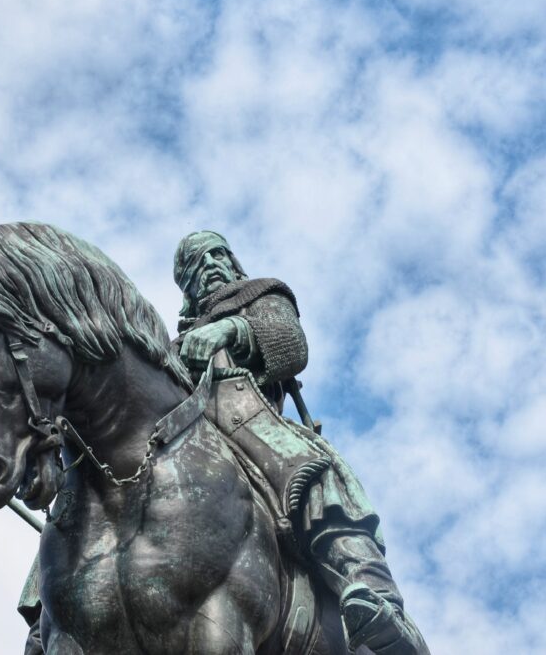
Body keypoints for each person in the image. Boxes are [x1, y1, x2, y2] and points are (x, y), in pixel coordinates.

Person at [173, 231, 429, 655]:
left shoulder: (259, 295)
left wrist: (231, 330)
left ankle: (371, 590)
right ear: (188, 287)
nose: (214, 263)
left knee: (307, 469)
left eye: (220, 253)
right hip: (184, 437)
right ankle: (46, 618)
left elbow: (290, 345)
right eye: (200, 262)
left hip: (247, 415)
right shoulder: (171, 344)